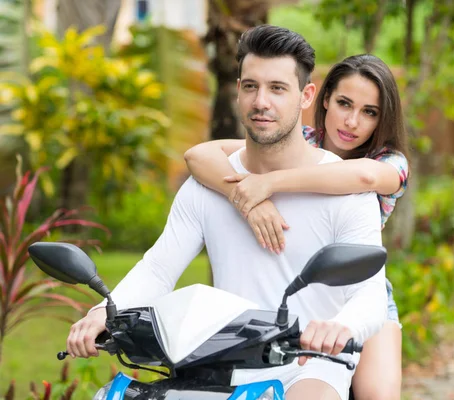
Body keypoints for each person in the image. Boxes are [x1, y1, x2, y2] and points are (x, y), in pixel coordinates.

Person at [65, 25, 387, 400]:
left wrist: (340, 327)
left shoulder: (346, 191)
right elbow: (159, 268)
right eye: (250, 86)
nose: (261, 101)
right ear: (238, 90)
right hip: (215, 363)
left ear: (306, 96)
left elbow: (370, 295)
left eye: (277, 88)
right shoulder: (210, 184)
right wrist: (106, 310)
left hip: (308, 365)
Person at [184, 54, 409, 399]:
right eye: (344, 103)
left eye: (369, 112)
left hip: (359, 291)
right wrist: (245, 196)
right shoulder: (297, 141)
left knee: (378, 394)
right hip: (291, 291)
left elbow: (363, 176)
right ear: (323, 99)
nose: (351, 121)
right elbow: (199, 155)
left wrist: (270, 182)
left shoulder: (389, 162)